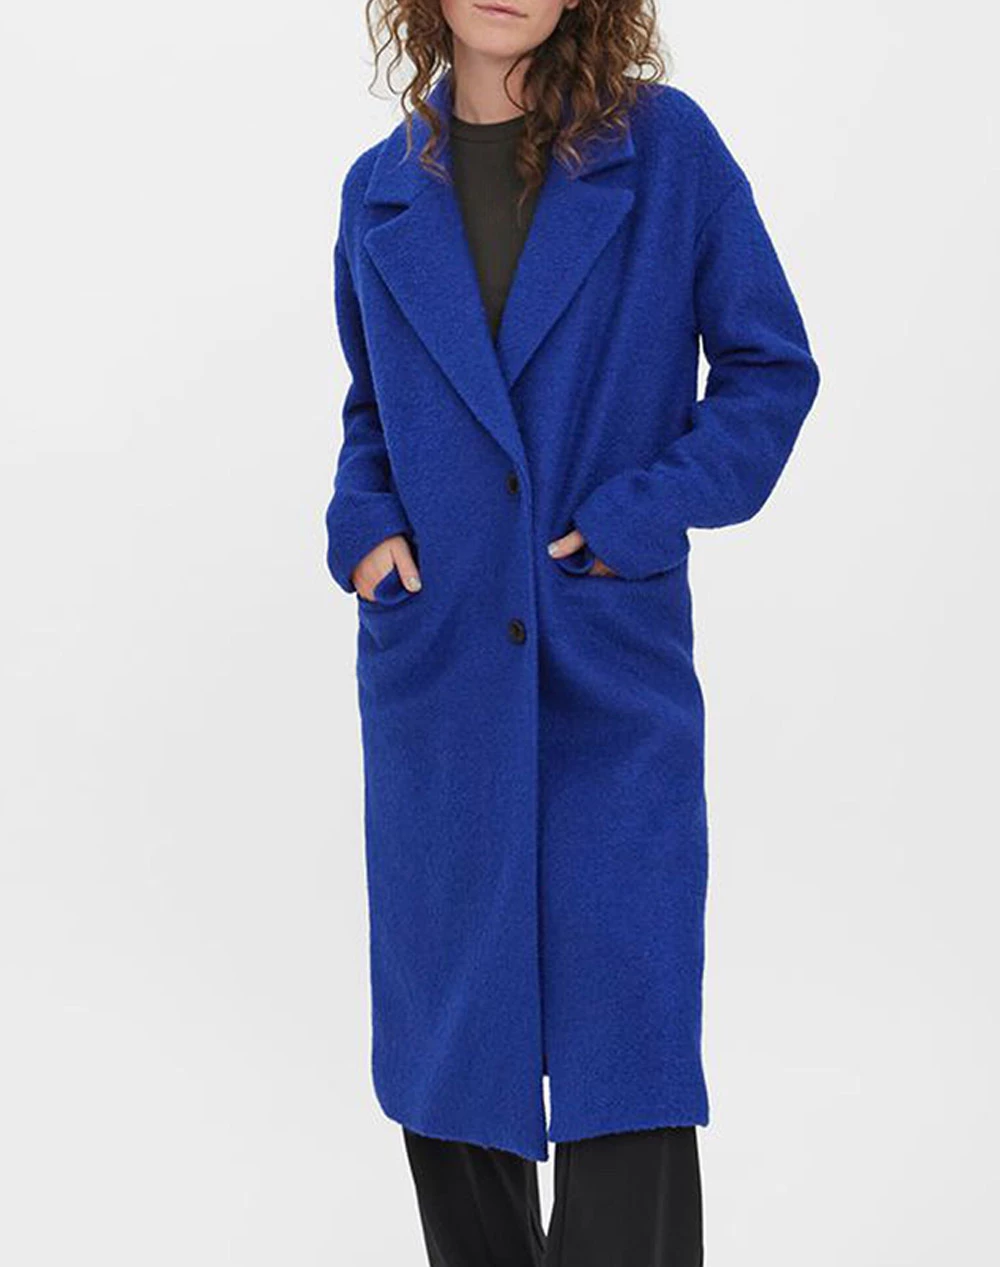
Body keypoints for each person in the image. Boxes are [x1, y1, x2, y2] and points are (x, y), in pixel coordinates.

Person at [324, 1, 820, 1262]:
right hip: (441, 679)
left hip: (606, 668)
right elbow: (373, 410)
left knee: (626, 1061)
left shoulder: (664, 149)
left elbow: (769, 371)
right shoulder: (381, 190)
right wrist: (364, 525)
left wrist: (638, 516)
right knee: (454, 1067)